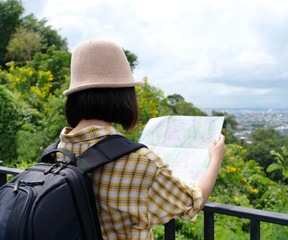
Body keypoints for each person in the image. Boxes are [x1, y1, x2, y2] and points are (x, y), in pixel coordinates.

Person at [58, 38, 225, 239]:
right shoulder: (139, 161)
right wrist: (215, 160)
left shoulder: (59, 150)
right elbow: (191, 203)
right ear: (123, 95)